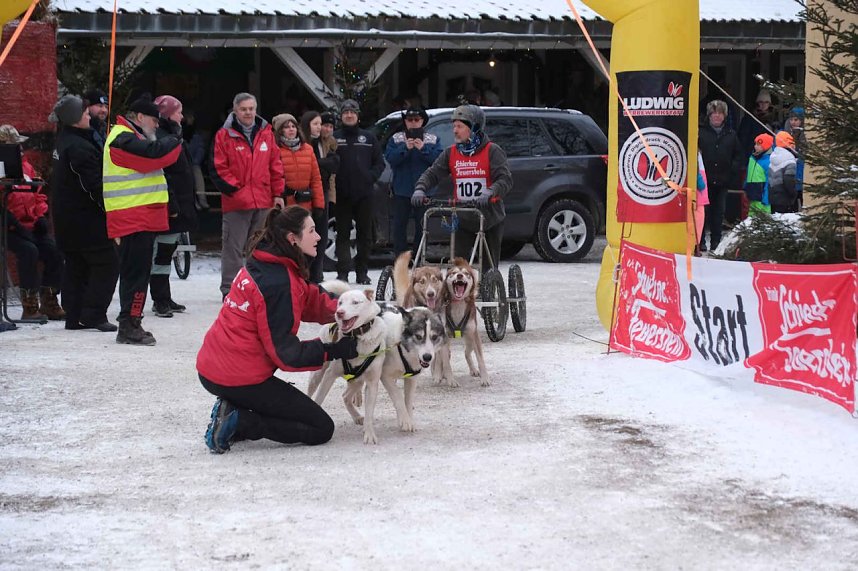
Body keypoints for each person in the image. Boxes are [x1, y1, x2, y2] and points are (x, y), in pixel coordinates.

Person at [196, 206, 359, 454]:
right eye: (311, 231)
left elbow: (308, 298)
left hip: (214, 368)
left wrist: (350, 309)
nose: (318, 237)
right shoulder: (278, 282)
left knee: (287, 410)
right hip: (236, 377)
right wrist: (333, 350)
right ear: (292, 238)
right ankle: (240, 421)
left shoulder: (269, 263)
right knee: (320, 428)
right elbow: (287, 354)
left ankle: (232, 412)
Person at [104, 95, 182, 345]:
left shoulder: (130, 137)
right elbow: (155, 156)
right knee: (135, 275)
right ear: (139, 117)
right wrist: (175, 136)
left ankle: (131, 322)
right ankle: (129, 325)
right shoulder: (122, 137)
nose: (157, 125)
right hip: (132, 217)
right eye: (154, 120)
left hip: (138, 216)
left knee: (137, 274)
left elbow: (159, 157)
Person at [414, 104, 513, 274]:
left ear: (474, 128)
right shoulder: (451, 152)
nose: (455, 130)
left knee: (488, 268)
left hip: (489, 216)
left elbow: (505, 179)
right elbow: (432, 173)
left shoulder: (492, 151)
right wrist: (420, 188)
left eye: (459, 126)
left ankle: (489, 286)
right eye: (454, 126)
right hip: (462, 216)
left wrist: (491, 191)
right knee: (458, 268)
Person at [49, 96, 119, 332]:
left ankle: (74, 315)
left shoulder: (64, 142)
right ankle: (93, 314)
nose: (89, 115)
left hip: (67, 218)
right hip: (85, 220)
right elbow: (93, 186)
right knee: (107, 263)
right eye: (84, 113)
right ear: (74, 119)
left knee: (76, 266)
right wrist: (110, 208)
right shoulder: (79, 147)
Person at [210, 93, 285, 298]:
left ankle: (256, 287)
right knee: (233, 249)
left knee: (260, 248)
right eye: (244, 109)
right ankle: (231, 289)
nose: (248, 113)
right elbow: (218, 168)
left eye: (251, 109)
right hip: (236, 203)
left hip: (263, 201)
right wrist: (237, 191)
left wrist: (278, 193)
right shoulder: (223, 135)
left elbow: (276, 165)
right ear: (235, 110)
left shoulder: (266, 133)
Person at [1, 124, 65, 320]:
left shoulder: (27, 167)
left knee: (54, 251)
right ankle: (29, 306)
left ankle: (49, 301)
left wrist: (40, 217)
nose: (20, 149)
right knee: (29, 252)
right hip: (7, 226)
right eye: (14, 146)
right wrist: (12, 221)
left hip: (30, 224)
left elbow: (38, 194)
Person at [149, 94, 198, 318]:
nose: (182, 116)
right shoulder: (163, 138)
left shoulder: (173, 135)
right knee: (161, 253)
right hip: (170, 205)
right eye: (178, 112)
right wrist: (172, 205)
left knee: (167, 251)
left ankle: (164, 297)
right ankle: (159, 299)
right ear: (168, 114)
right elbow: (164, 175)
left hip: (179, 202)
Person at [332, 99, 384, 284]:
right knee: (342, 235)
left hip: (365, 194)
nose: (349, 115)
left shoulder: (368, 138)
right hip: (342, 194)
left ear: (358, 116)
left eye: (352, 112)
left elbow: (379, 163)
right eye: (346, 112)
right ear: (341, 116)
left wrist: (370, 177)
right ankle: (343, 273)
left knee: (365, 235)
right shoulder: (334, 138)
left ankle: (362, 273)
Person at [384, 105, 443, 256]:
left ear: (422, 121)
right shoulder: (396, 139)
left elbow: (439, 162)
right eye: (410, 120)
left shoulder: (432, 139)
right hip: (402, 191)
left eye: (417, 119)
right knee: (399, 226)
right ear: (405, 121)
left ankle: (419, 258)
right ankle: (400, 259)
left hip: (425, 191)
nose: (413, 123)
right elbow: (390, 159)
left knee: (422, 227)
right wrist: (405, 148)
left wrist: (423, 149)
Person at [697, 100, 744, 251]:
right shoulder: (700, 133)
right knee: (703, 212)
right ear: (709, 115)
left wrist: (732, 171)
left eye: (720, 113)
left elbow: (738, 156)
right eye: (714, 113)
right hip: (704, 181)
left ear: (724, 116)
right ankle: (701, 241)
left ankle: (716, 242)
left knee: (718, 213)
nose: (717, 116)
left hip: (723, 180)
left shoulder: (731, 135)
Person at [300, 110, 339, 283]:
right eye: (316, 124)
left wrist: (323, 164)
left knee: (320, 235)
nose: (320, 127)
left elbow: (333, 165)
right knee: (306, 234)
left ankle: (316, 275)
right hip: (304, 194)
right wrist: (323, 164)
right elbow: (312, 167)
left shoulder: (325, 143)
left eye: (320, 124)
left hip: (322, 191)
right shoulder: (304, 144)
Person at [738, 90, 779, 157]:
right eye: (761, 102)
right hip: (751, 153)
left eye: (766, 102)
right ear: (757, 103)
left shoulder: (773, 119)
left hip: (769, 154)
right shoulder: (749, 118)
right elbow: (743, 139)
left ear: (769, 104)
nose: (763, 105)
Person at [780, 107, 806, 208]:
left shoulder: (806, 134)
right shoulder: (784, 134)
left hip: (801, 170)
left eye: (796, 120)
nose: (793, 122)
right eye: (791, 119)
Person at [769, 131, 799, 214]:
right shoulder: (790, 159)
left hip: (773, 196)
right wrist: (794, 194)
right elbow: (788, 179)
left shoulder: (774, 157)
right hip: (785, 198)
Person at [743, 133, 774, 216]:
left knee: (763, 217)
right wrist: (745, 188)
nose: (755, 146)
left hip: (762, 197)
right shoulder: (752, 158)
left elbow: (769, 181)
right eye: (755, 144)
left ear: (765, 146)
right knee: (751, 216)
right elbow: (747, 174)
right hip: (752, 194)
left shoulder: (768, 161)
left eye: (758, 145)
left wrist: (766, 198)